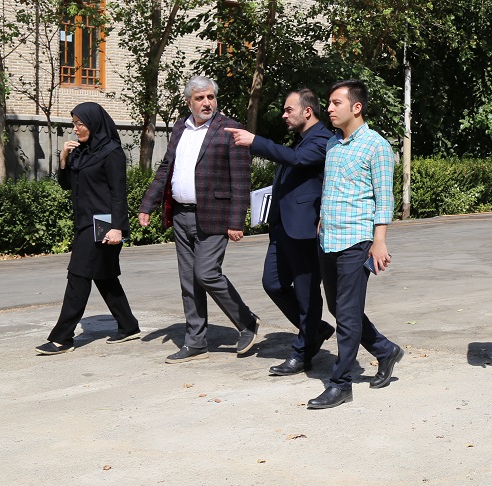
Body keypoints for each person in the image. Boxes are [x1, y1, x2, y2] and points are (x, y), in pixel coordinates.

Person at [138, 76, 260, 363]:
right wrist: (148, 204)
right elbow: (166, 167)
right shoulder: (180, 127)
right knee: (189, 281)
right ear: (188, 102)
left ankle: (246, 321)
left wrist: (237, 221)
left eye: (210, 97)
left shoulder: (230, 129)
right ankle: (195, 343)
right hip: (181, 215)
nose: (206, 103)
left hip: (215, 215)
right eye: (200, 98)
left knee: (206, 274)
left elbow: (241, 179)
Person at [306, 79, 403, 409]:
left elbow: (384, 198)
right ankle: (385, 350)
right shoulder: (333, 144)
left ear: (356, 107)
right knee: (338, 308)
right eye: (329, 103)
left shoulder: (377, 146)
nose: (329, 109)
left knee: (346, 316)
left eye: (336, 103)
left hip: (357, 241)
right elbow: (331, 188)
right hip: (328, 239)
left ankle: (341, 384)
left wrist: (379, 241)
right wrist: (322, 219)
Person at [224, 89, 336, 375]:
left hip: (304, 231)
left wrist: (255, 141)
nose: (284, 115)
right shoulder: (301, 139)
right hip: (283, 229)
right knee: (273, 283)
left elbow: (296, 160)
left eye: (289, 110)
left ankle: (303, 352)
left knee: (306, 293)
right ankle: (316, 330)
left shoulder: (322, 139)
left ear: (307, 111)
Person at [36, 102, 140, 354]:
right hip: (84, 222)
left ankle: (62, 338)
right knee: (104, 277)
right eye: (74, 124)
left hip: (104, 223)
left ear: (93, 123)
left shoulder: (112, 152)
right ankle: (128, 326)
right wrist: (63, 158)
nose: (75, 129)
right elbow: (67, 185)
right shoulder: (81, 152)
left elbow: (118, 194)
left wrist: (118, 228)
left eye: (80, 124)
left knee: (78, 275)